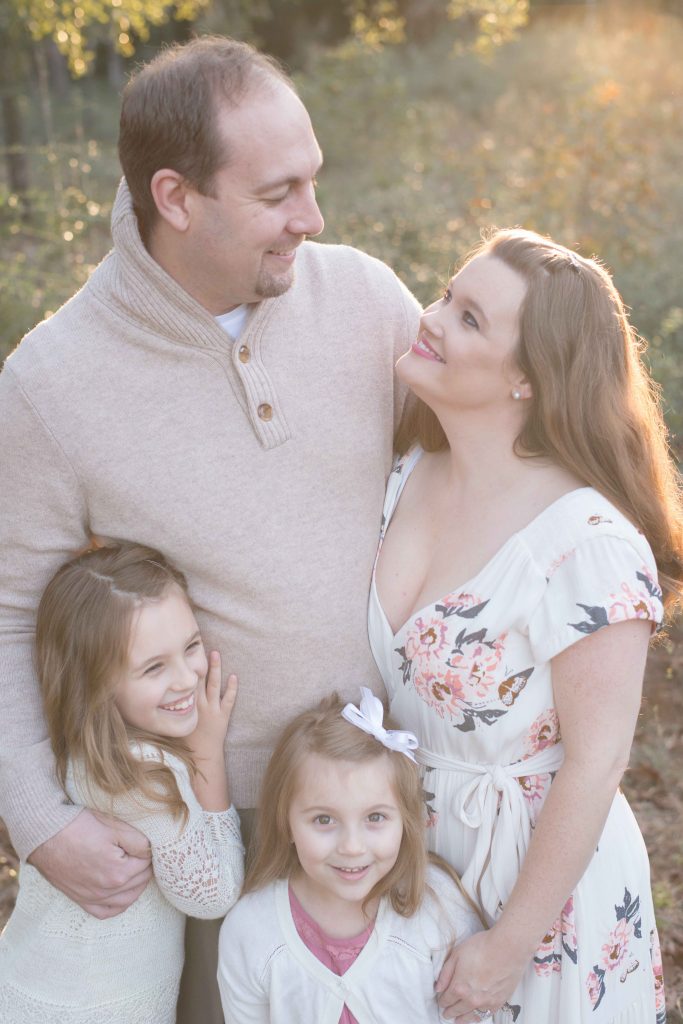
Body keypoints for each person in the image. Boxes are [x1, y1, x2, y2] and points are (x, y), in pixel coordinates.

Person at [0, 35, 420, 1021]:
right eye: (277, 195)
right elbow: (8, 610)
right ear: (177, 198)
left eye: (311, 182)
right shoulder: (53, 384)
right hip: (212, 846)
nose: (311, 220)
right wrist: (36, 817)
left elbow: (484, 462)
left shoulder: (361, 297)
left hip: (390, 809)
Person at [369, 228, 682, 1023]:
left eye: (470, 319)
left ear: (528, 381)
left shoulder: (588, 542)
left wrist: (509, 945)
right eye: (447, 295)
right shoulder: (407, 468)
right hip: (409, 865)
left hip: (539, 900)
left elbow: (597, 759)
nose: (432, 319)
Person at [0, 542, 244, 1021]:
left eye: (191, 647)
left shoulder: (71, 753)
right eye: (154, 667)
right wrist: (207, 754)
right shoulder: (143, 778)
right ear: (93, 683)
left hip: (29, 990)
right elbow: (213, 894)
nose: (187, 678)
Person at [218, 688, 483, 1023]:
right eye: (324, 820)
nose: (352, 847)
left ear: (406, 819)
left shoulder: (438, 908)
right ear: (285, 822)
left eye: (375, 818)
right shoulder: (250, 930)